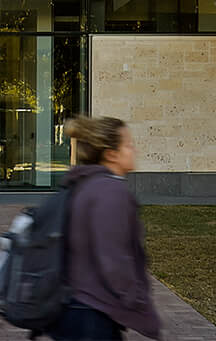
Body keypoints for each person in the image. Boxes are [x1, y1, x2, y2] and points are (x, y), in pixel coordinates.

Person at [55, 115, 162, 340]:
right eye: (129, 145)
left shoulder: (86, 185)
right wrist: (138, 304)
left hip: (76, 308)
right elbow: (114, 259)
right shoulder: (111, 192)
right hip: (93, 314)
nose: (135, 150)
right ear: (111, 154)